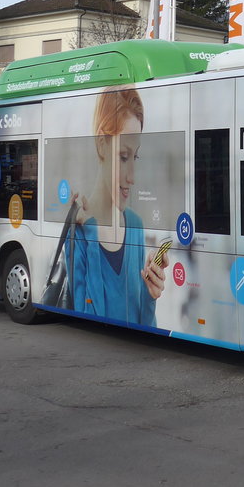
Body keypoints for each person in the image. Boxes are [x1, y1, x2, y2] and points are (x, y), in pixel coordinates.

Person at [69, 87, 165, 327]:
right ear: (102, 145)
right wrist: (89, 231)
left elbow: (142, 324)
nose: (132, 177)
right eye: (124, 157)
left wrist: (150, 295)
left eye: (136, 157)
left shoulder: (135, 225)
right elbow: (83, 314)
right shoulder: (78, 230)